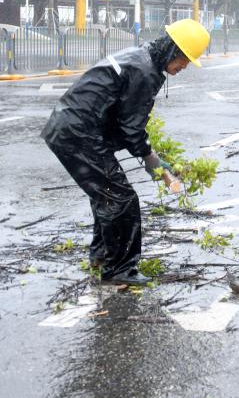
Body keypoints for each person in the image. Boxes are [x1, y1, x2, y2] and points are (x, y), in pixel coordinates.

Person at [42, 19, 210, 285]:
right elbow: (131, 127)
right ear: (171, 50)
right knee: (122, 200)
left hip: (74, 130)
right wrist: (150, 158)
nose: (184, 67)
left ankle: (101, 258)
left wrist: (147, 154)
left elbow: (124, 120)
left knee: (108, 196)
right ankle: (119, 270)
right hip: (78, 134)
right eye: (184, 59)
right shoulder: (144, 71)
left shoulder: (142, 58)